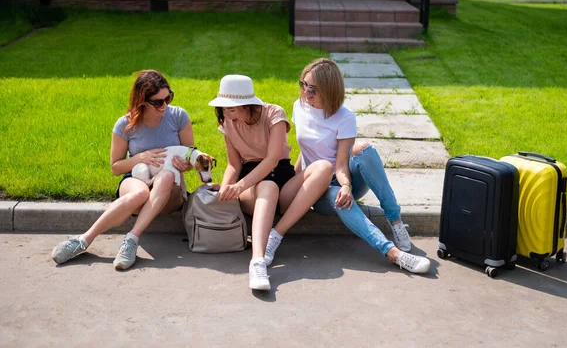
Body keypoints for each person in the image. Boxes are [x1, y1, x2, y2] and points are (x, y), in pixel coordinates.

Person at [266, 58, 430, 274]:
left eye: (313, 89)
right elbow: (304, 151)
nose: (306, 93)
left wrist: (346, 186)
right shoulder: (300, 107)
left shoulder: (345, 117)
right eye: (303, 85)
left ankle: (395, 220)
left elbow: (342, 164)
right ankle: (392, 253)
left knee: (364, 149)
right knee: (337, 198)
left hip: (342, 177)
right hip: (319, 187)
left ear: (329, 89)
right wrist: (295, 185)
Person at [51, 70, 194, 270]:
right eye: (158, 102)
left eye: (168, 97)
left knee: (167, 175)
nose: (165, 105)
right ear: (142, 101)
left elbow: (191, 156)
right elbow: (115, 167)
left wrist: (186, 165)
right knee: (140, 192)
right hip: (137, 178)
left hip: (170, 191)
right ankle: (83, 240)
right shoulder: (125, 124)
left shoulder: (178, 116)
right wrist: (140, 158)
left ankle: (131, 240)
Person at [209, 75, 333, 291]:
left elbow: (273, 159)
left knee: (324, 167)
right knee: (268, 186)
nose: (228, 114)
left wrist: (239, 185)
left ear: (247, 104)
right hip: (253, 187)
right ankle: (257, 262)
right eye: (225, 109)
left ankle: (276, 234)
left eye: (232, 109)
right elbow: (233, 165)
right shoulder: (228, 123)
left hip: (281, 178)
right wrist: (227, 187)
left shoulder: (274, 113)